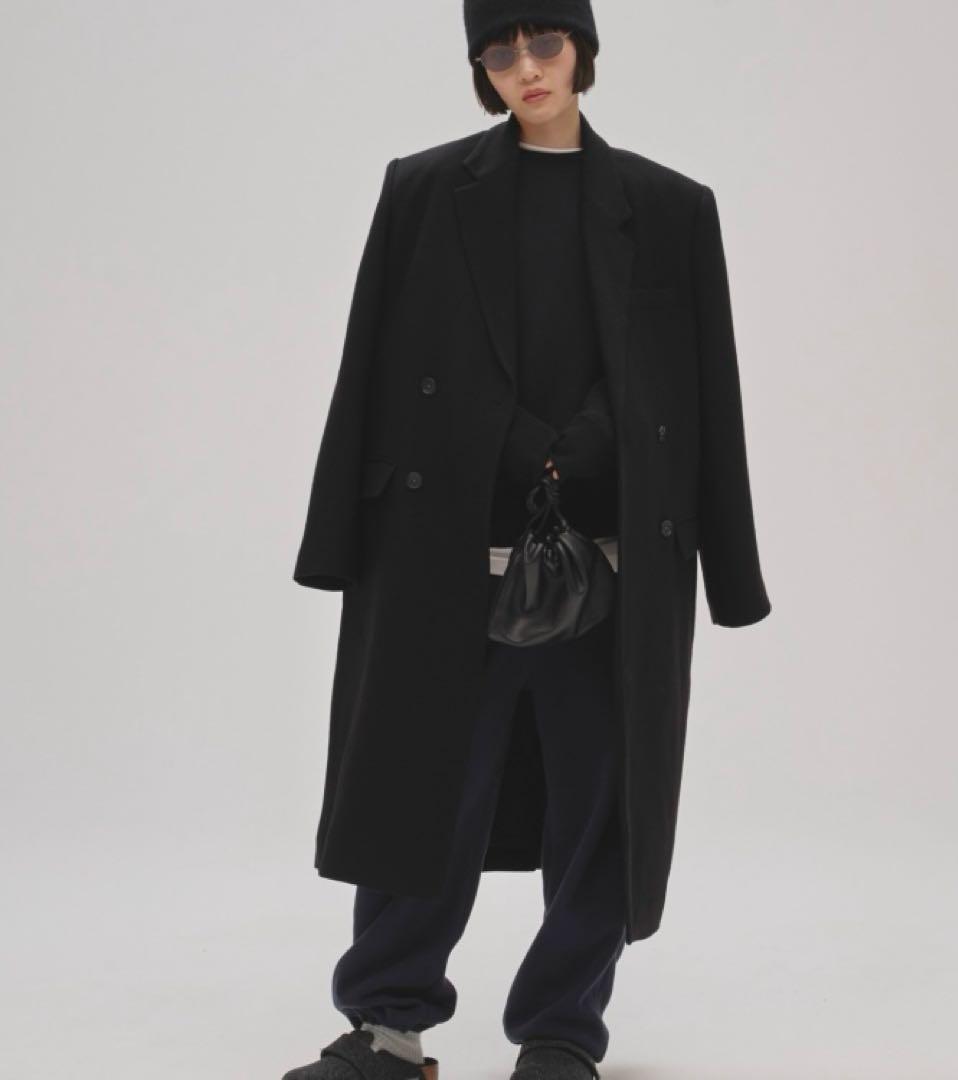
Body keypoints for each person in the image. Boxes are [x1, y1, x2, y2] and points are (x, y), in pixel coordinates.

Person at [284, 3, 772, 1078]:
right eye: (499, 52)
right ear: (481, 68)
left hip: (614, 565)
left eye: (544, 43)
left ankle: (561, 1035)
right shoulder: (423, 189)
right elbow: (374, 363)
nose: (526, 68)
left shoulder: (670, 207)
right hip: (443, 558)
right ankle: (387, 1031)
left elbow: (704, 395)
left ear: (583, 49)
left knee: (599, 812)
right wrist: (341, 534)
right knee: (420, 799)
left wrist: (724, 563)